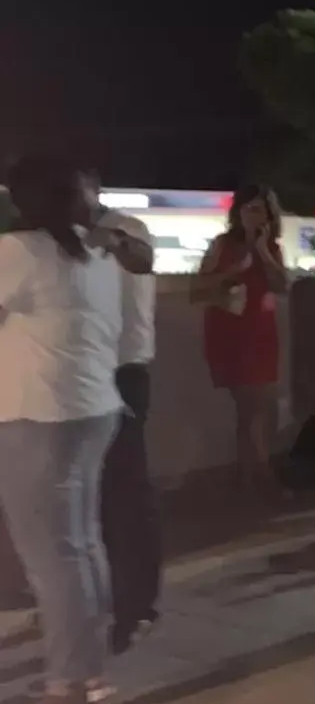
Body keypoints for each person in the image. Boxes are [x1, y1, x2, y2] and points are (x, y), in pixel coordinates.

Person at [0, 156, 126, 704]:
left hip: (39, 417)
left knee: (52, 560)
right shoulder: (96, 251)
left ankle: (68, 688)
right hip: (91, 409)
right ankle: (89, 674)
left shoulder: (21, 251)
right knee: (81, 547)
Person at [86, 173, 164, 655]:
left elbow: (141, 260)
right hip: (78, 379)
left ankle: (137, 606)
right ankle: (96, 598)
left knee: (125, 494)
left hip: (122, 376)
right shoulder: (45, 241)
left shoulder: (125, 229)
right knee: (89, 500)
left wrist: (105, 239)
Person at [193, 183, 291, 504]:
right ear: (237, 213)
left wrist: (261, 250)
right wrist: (234, 271)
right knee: (252, 408)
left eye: (259, 209)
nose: (253, 215)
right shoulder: (223, 245)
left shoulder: (272, 247)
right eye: (248, 209)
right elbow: (199, 286)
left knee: (255, 409)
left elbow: (282, 285)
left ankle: (247, 477)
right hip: (231, 330)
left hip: (261, 330)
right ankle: (262, 480)